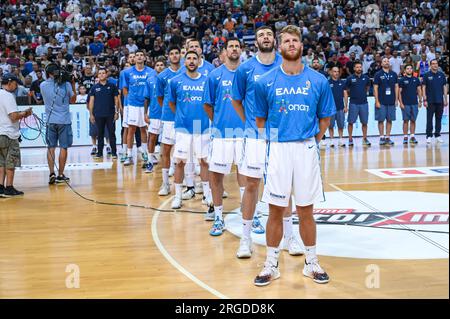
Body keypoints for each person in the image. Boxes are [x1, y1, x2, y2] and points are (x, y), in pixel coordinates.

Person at [253, 25, 335, 286]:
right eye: (286, 41)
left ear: (301, 46)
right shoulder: (266, 82)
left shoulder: (318, 80)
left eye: (295, 40)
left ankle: (311, 263)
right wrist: (277, 141)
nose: (290, 44)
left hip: (306, 148)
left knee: (305, 209)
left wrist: (311, 141)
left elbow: (325, 118)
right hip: (278, 148)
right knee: (276, 209)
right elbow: (260, 119)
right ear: (280, 47)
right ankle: (270, 264)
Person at [232, 25, 303, 258]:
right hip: (255, 136)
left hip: (281, 137)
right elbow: (236, 100)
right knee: (251, 186)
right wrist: (250, 124)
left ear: (276, 41)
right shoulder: (245, 69)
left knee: (285, 187)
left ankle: (290, 237)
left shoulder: (286, 66)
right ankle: (245, 239)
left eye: (269, 35)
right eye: (261, 34)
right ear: (256, 41)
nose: (265, 37)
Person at [203, 37, 246, 237]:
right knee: (216, 175)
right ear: (225, 51)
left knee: (246, 175)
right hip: (221, 134)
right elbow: (207, 104)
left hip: (245, 133)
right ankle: (219, 216)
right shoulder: (214, 75)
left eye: (237, 46)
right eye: (231, 46)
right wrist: (218, 121)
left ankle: (250, 215)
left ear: (241, 50)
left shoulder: (248, 73)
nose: (234, 49)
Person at [168, 50, 211, 210]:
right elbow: (172, 103)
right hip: (183, 128)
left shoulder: (207, 81)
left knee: (204, 161)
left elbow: (210, 104)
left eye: (195, 58)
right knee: (179, 162)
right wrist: (182, 116)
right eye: (189, 59)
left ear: (200, 61)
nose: (192, 61)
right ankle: (178, 196)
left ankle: (207, 195)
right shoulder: (175, 81)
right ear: (184, 62)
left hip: (202, 126)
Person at [40, 63, 77, 184]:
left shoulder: (43, 85)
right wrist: (72, 84)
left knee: (51, 147)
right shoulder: (66, 85)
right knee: (63, 147)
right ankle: (60, 174)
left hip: (50, 121)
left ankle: (51, 173)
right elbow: (73, 100)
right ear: (53, 73)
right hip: (64, 120)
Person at [121, 50, 156, 166]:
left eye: (142, 55)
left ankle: (145, 152)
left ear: (145, 58)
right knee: (131, 129)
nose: (139, 57)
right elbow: (124, 89)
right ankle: (129, 154)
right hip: (133, 105)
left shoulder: (151, 72)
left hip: (146, 105)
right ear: (134, 59)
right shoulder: (127, 72)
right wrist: (131, 99)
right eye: (137, 55)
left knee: (144, 129)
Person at [0, 74, 33, 197]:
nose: (16, 86)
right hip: (9, 134)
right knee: (11, 162)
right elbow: (13, 117)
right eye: (15, 83)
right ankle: (9, 188)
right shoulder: (8, 96)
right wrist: (25, 113)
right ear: (9, 82)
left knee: (1, 162)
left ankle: (0, 188)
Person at [157, 46, 182, 196]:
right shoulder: (162, 76)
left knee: (184, 153)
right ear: (168, 57)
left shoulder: (186, 72)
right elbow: (160, 98)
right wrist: (169, 109)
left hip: (184, 118)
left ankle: (186, 183)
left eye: (176, 53)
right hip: (168, 118)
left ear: (180, 55)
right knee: (166, 150)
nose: (174, 56)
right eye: (171, 53)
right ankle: (165, 183)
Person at [88, 68, 120, 159]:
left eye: (103, 73)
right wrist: (91, 114)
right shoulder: (94, 87)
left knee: (111, 134)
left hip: (110, 114)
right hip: (98, 114)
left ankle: (114, 153)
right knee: (100, 134)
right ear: (98, 76)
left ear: (106, 75)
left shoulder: (112, 86)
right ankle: (100, 153)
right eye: (100, 73)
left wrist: (117, 112)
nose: (101, 75)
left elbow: (116, 99)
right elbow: (91, 101)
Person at [143, 57, 166, 173]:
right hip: (155, 114)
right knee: (152, 138)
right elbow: (146, 98)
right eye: (157, 65)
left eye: (162, 65)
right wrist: (145, 114)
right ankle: (150, 161)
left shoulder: (170, 79)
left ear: (165, 66)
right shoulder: (150, 80)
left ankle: (170, 166)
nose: (160, 67)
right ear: (154, 67)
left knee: (169, 141)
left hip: (168, 115)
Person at [344, 61, 371, 147]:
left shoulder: (366, 78)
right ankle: (350, 139)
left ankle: (365, 138)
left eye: (360, 67)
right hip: (353, 103)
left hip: (364, 103)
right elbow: (346, 90)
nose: (359, 69)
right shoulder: (350, 78)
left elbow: (367, 88)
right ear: (354, 68)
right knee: (351, 122)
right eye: (357, 67)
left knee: (364, 122)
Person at [373, 57, 399, 146]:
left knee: (389, 120)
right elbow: (375, 88)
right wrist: (376, 101)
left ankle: (387, 137)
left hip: (391, 101)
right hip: (381, 101)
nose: (386, 62)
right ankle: (381, 137)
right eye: (384, 61)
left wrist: (396, 99)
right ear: (381, 64)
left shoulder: (394, 74)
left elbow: (396, 87)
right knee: (381, 120)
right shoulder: (378, 74)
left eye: (388, 61)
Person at [422, 59, 449, 144]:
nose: (435, 65)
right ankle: (429, 136)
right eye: (433, 64)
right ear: (430, 65)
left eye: (436, 64)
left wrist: (445, 99)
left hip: (440, 100)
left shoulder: (441, 75)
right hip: (430, 101)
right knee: (429, 119)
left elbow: (444, 87)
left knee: (439, 118)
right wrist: (424, 99)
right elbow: (423, 87)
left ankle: (437, 135)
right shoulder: (426, 75)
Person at [398, 63, 423, 144]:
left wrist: (420, 101)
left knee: (413, 120)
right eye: (407, 68)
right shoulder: (402, 80)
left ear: (412, 70)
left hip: (414, 103)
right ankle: (405, 137)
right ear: (405, 70)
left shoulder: (416, 79)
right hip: (405, 104)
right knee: (405, 120)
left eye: (410, 68)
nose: (409, 70)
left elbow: (419, 90)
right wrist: (400, 103)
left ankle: (412, 136)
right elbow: (399, 92)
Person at [327, 66, 348, 147]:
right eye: (334, 71)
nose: (336, 73)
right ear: (331, 72)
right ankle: (331, 140)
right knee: (331, 125)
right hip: (331, 109)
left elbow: (345, 94)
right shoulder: (328, 83)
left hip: (340, 108)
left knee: (341, 125)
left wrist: (346, 106)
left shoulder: (342, 82)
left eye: (337, 71)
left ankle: (340, 140)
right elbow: (325, 96)